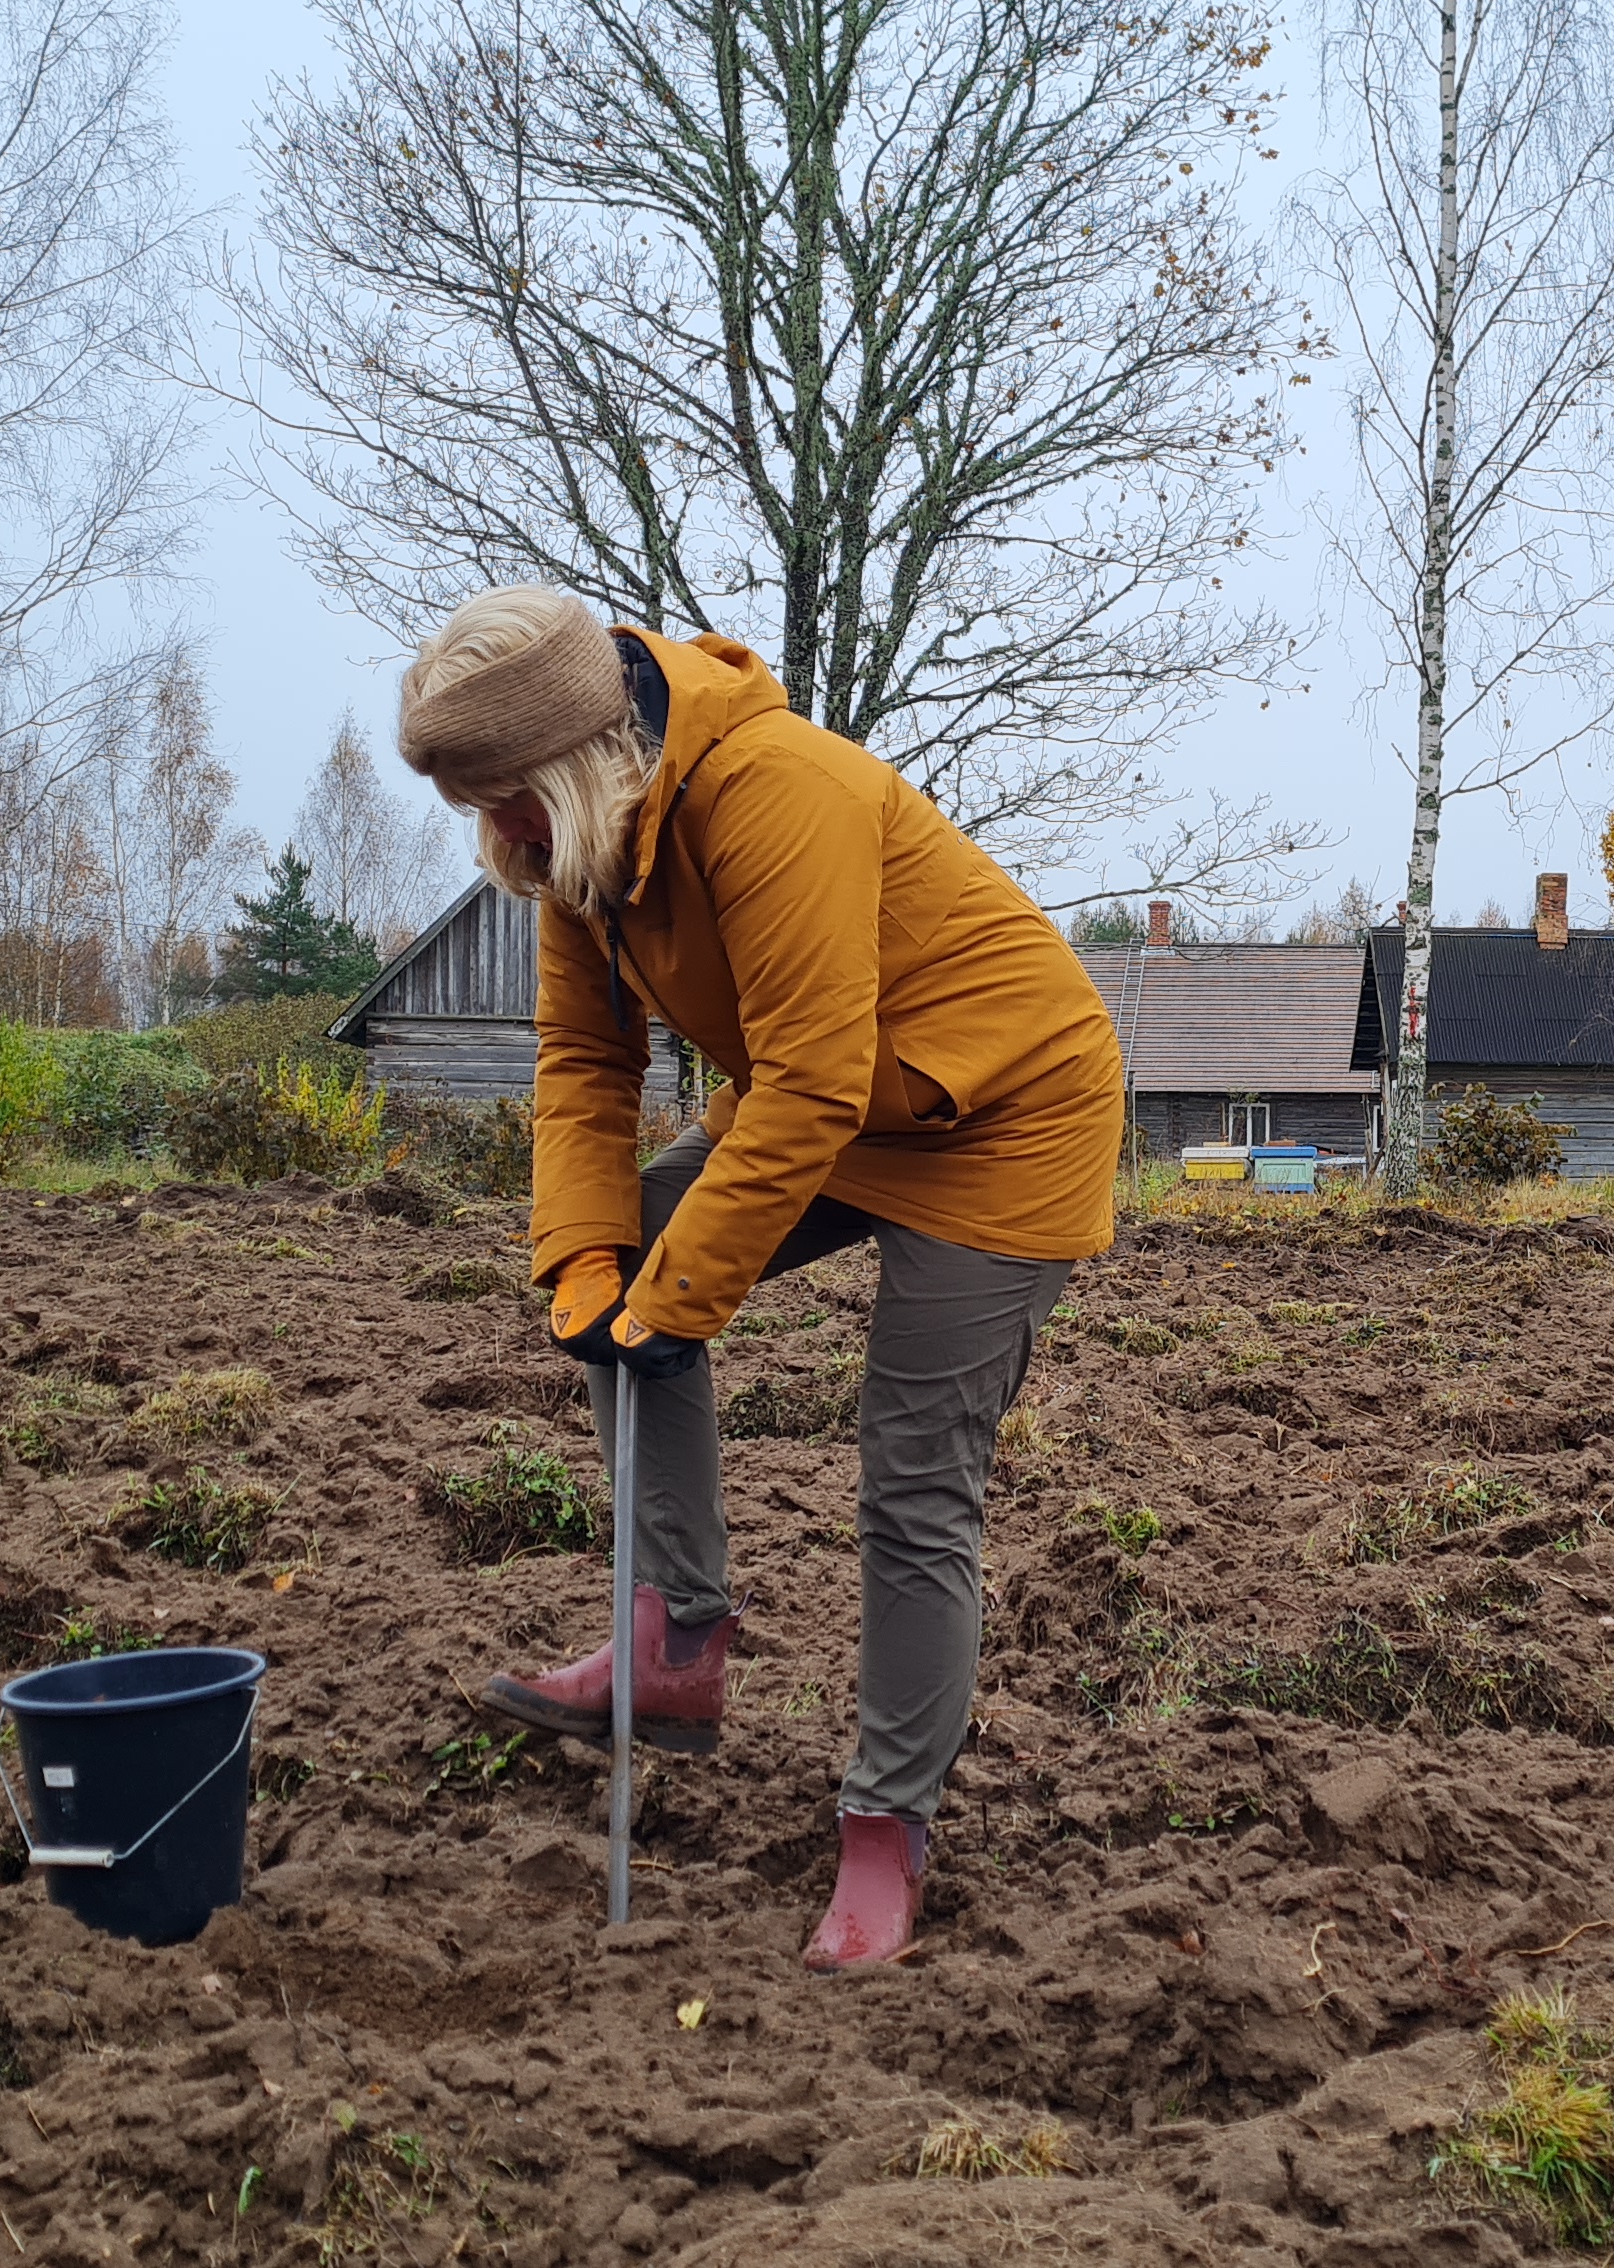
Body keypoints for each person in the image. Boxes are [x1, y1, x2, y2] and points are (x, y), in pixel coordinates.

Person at [398, 586, 1125, 1971]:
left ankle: (884, 1828)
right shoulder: (582, 849)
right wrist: (592, 1266)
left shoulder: (774, 788)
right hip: (839, 1106)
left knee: (913, 1482)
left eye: (511, 802)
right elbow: (584, 1070)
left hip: (1004, 1115)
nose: (502, 842)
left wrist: (677, 1302)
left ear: (571, 760)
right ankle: (675, 1637)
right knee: (611, 1293)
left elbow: (806, 1080)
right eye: (479, 811)